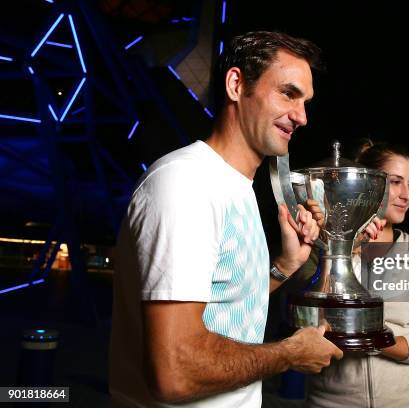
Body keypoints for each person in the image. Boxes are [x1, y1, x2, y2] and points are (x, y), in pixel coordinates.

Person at [109, 31, 343, 408]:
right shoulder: (184, 184)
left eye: (306, 102)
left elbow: (223, 303)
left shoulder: (239, 189)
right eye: (288, 93)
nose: (302, 117)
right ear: (236, 85)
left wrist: (286, 265)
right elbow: (175, 371)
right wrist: (288, 353)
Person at [306, 140, 409, 408]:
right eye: (395, 182)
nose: (406, 194)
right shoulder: (325, 244)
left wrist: (373, 340)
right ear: (366, 183)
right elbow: (313, 323)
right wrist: (349, 248)